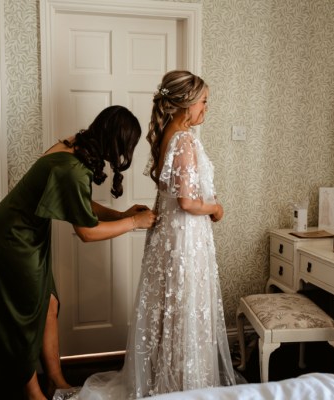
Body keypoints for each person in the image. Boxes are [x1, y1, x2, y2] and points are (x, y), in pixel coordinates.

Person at [0, 105, 157, 400]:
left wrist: (120, 214)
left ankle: (57, 381)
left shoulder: (74, 146)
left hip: (26, 235)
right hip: (11, 239)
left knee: (49, 305)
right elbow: (87, 233)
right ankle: (33, 393)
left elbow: (78, 202)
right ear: (117, 143)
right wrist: (133, 223)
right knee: (21, 318)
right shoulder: (72, 169)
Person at [71, 70, 235, 399]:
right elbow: (187, 201)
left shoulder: (166, 135)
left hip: (167, 239)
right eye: (204, 102)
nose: (207, 108)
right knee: (182, 308)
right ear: (186, 103)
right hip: (185, 240)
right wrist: (216, 209)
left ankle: (166, 380)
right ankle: (183, 387)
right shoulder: (185, 140)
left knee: (168, 309)